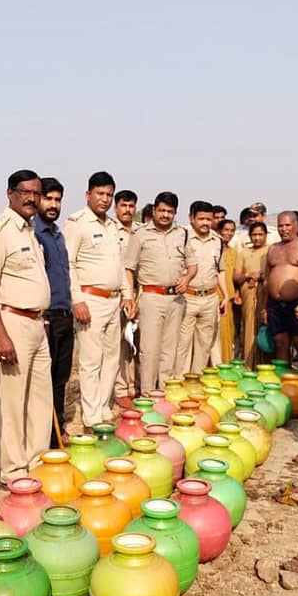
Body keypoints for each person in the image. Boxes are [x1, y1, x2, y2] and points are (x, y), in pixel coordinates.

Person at [0, 170, 52, 481]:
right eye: (24, 192)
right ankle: (13, 472)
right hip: (12, 322)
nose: (30, 198)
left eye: (36, 193)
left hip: (38, 323)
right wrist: (0, 334)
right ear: (10, 194)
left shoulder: (30, 230)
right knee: (13, 402)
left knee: (40, 399)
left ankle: (37, 464)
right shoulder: (0, 231)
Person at [64, 173, 134, 429]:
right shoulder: (77, 223)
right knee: (91, 360)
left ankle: (103, 406)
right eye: (100, 194)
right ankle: (91, 415)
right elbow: (68, 264)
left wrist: (127, 295)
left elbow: (120, 265)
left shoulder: (113, 226)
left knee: (111, 358)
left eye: (109, 195)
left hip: (114, 301)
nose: (104, 199)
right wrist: (77, 300)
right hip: (90, 300)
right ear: (88, 195)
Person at [125, 192, 196, 392]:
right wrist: (129, 298)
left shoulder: (182, 234)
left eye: (170, 212)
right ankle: (147, 394)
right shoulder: (140, 234)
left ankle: (165, 393)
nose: (165, 215)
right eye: (162, 210)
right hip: (150, 297)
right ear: (154, 210)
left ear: (175, 213)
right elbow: (128, 268)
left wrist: (187, 278)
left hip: (176, 299)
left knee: (169, 349)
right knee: (149, 350)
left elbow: (193, 266)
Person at [34, 178, 73, 444]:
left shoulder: (58, 235)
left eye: (57, 200)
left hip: (64, 315)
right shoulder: (33, 233)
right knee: (43, 381)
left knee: (60, 378)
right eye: (48, 198)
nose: (53, 204)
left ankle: (55, 432)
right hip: (45, 318)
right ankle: (43, 435)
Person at [175, 201, 229, 374]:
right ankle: (179, 382)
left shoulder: (218, 241)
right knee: (182, 344)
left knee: (204, 344)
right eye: (201, 219)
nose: (205, 222)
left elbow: (220, 271)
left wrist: (226, 296)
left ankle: (195, 380)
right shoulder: (182, 237)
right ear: (191, 218)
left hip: (210, 298)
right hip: (187, 297)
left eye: (208, 219)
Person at [261, 211, 298, 364]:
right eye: (280, 226)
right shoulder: (272, 249)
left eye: (287, 225)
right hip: (275, 304)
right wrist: (264, 307)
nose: (283, 229)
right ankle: (285, 381)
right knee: (280, 341)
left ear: (296, 226)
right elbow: (266, 279)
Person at [113, 189, 140, 406]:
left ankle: (136, 386)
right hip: (121, 295)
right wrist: (126, 295)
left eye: (131, 206)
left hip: (142, 294)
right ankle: (121, 389)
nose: (127, 210)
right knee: (122, 344)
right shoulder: (112, 231)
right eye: (123, 205)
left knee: (140, 343)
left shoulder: (141, 232)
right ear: (116, 207)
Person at [234, 221, 269, 367]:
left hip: (265, 294)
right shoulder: (244, 253)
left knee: (264, 326)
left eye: (260, 234)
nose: (257, 238)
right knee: (248, 328)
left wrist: (260, 276)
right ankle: (248, 365)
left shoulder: (271, 250)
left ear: (266, 235)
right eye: (254, 235)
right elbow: (236, 276)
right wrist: (249, 274)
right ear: (249, 236)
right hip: (248, 294)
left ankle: (265, 366)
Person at [217, 219, 239, 363]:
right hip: (217, 296)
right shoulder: (214, 249)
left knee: (229, 334)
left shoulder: (234, 252)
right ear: (219, 231)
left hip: (230, 297)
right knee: (219, 334)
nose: (229, 233)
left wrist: (237, 292)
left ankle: (225, 365)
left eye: (232, 230)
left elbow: (236, 275)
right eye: (226, 230)